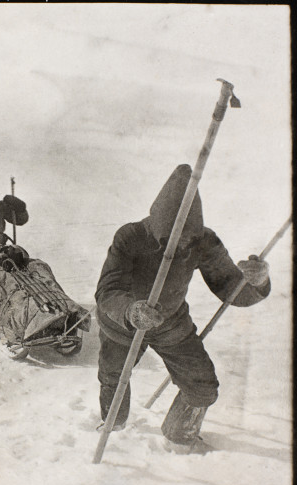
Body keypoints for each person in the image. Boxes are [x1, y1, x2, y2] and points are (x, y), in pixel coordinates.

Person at [95, 164, 270, 453]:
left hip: (171, 324)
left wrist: (257, 281)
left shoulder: (203, 241)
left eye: (190, 239)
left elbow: (232, 290)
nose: (184, 246)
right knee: (114, 378)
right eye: (175, 240)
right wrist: (131, 312)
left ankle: (179, 436)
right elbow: (108, 290)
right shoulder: (130, 236)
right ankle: (113, 429)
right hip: (123, 324)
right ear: (160, 226)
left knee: (203, 384)